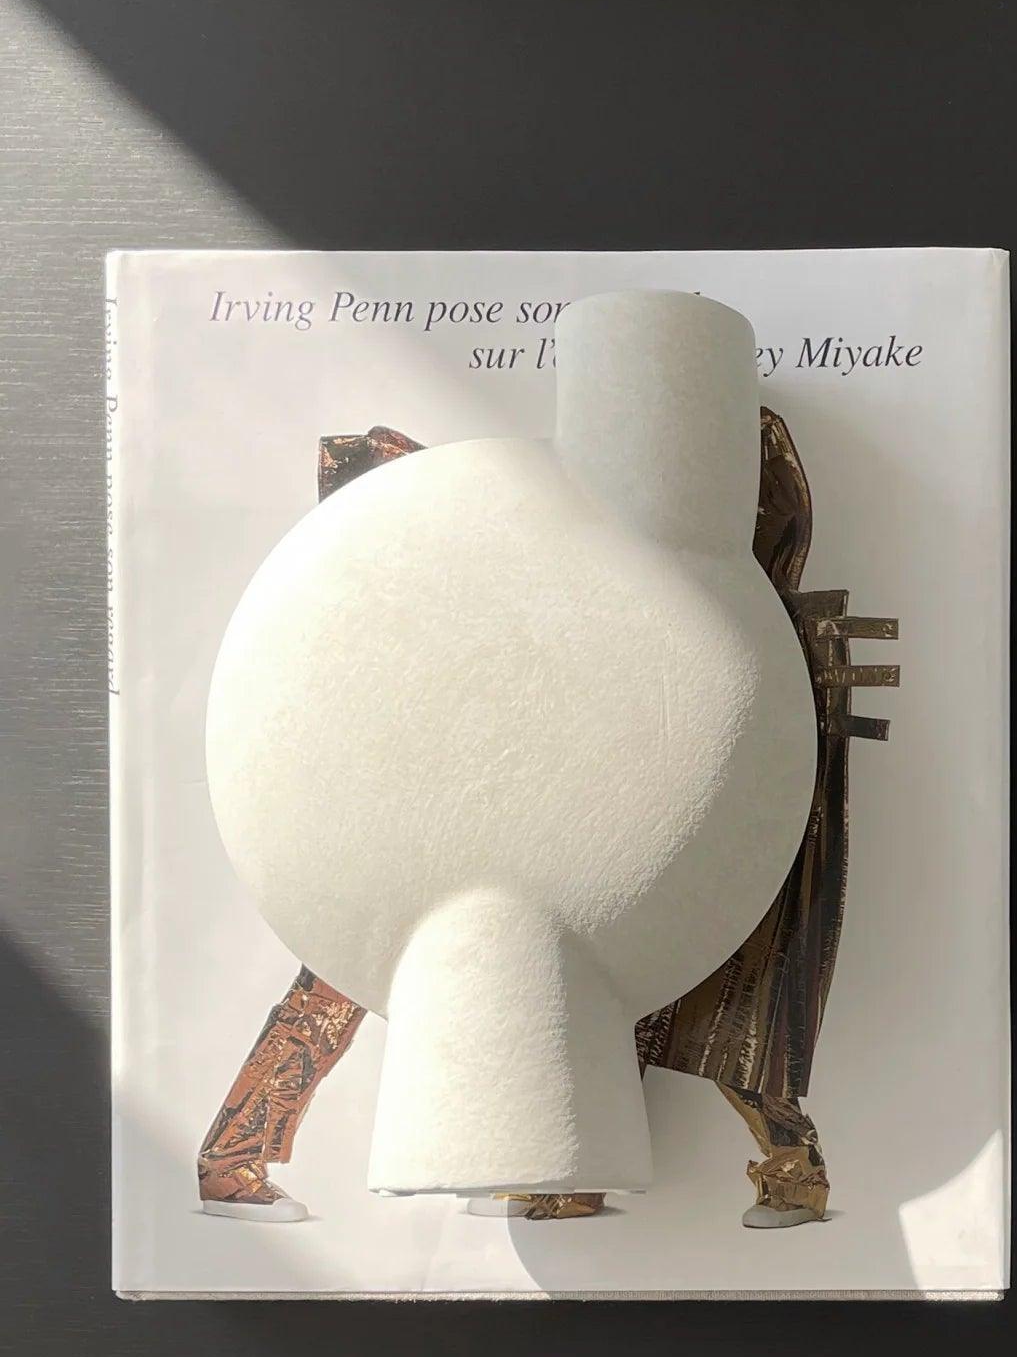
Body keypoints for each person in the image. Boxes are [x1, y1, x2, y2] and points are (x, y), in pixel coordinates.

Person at [197, 412, 896, 1229]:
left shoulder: (707, 486)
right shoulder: (451, 563)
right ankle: (242, 1157)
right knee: (361, 975)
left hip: (660, 768)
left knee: (720, 987)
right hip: (440, 799)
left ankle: (766, 1166)